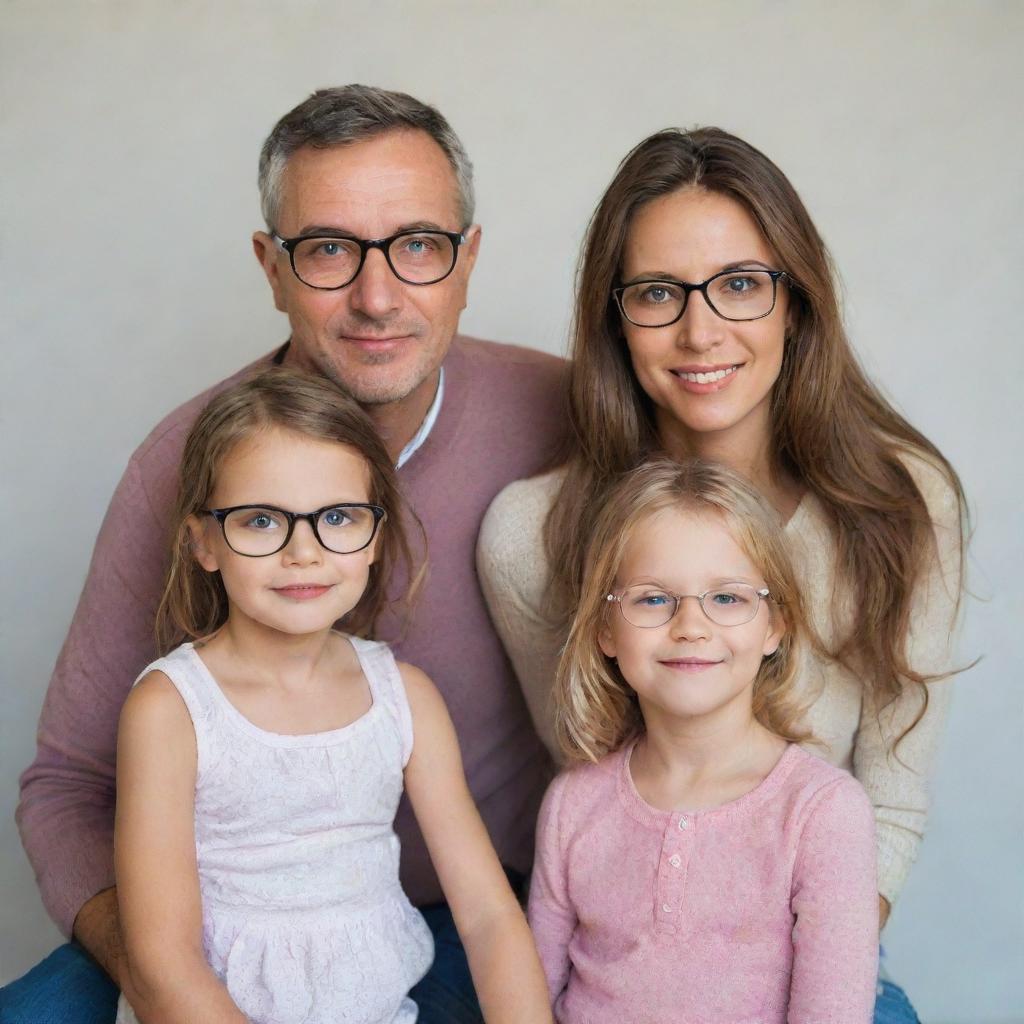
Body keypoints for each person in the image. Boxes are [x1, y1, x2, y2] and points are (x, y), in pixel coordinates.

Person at [9, 86, 565, 1024]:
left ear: (469, 260)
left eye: (418, 245)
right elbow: (65, 787)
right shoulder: (181, 469)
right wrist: (161, 975)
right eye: (328, 250)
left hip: (469, 920)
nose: (377, 296)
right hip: (208, 944)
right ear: (270, 266)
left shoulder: (569, 417)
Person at [478, 127, 966, 1023]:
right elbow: (596, 784)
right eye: (658, 293)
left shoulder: (902, 502)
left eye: (741, 284)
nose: (701, 331)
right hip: (623, 961)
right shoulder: (532, 536)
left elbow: (891, 803)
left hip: (816, 943)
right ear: (614, 318)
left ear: (796, 302)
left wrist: (780, 971)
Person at [112, 368, 552, 1024]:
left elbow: (488, 918)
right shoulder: (171, 711)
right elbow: (163, 964)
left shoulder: (404, 698)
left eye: (338, 518)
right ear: (203, 541)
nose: (304, 553)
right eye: (262, 521)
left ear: (374, 536)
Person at [529, 458, 879, 1023]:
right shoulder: (573, 801)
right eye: (651, 599)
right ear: (604, 630)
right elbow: (531, 997)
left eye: (727, 598)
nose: (691, 626)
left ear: (775, 625)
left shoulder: (822, 812)